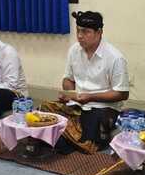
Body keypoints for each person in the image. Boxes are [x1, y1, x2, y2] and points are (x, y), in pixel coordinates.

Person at [40, 10, 129, 153]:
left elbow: (122, 93)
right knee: (44, 109)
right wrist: (68, 94)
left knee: (93, 128)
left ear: (99, 32)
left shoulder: (115, 57)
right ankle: (66, 138)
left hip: (102, 108)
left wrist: (90, 97)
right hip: (77, 104)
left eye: (86, 32)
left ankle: (65, 138)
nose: (80, 36)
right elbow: (68, 79)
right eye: (78, 31)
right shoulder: (74, 50)